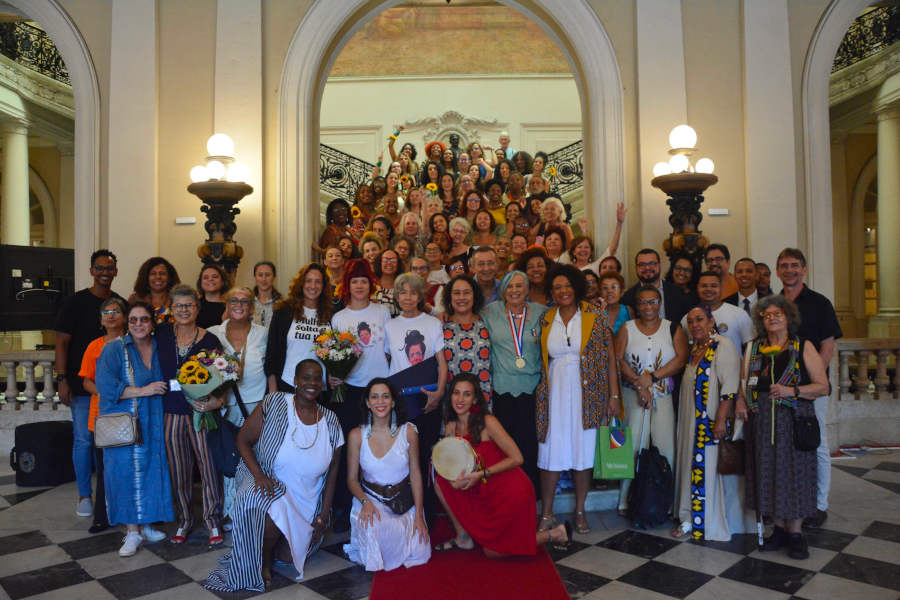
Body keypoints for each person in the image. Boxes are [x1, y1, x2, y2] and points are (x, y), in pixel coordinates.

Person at [206, 360, 343, 591]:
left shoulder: (331, 420)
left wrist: (325, 511)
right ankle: (264, 557)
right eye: (306, 377)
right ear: (296, 381)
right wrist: (258, 475)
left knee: (289, 558)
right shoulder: (275, 403)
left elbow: (333, 472)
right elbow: (243, 440)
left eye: (317, 378)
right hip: (271, 481)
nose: (312, 383)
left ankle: (273, 545)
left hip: (307, 497)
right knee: (264, 503)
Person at [736, 295, 829, 559]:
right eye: (766, 315)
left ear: (788, 317)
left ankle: (796, 533)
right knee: (768, 472)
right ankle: (777, 529)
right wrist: (741, 402)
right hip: (762, 421)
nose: (772, 318)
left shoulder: (802, 347)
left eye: (777, 314)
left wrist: (793, 390)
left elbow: (823, 386)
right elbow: (746, 382)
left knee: (794, 473)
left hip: (794, 420)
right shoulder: (754, 348)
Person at [433, 374, 569, 555]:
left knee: (493, 552)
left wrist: (481, 474)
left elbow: (517, 458)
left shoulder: (488, 422)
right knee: (441, 483)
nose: (460, 399)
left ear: (474, 398)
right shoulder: (451, 426)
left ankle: (554, 534)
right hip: (480, 487)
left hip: (508, 489)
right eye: (456, 393)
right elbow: (453, 465)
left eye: (466, 394)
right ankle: (463, 537)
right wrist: (454, 480)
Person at [535, 265, 621, 534]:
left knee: (583, 451)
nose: (563, 291)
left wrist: (614, 394)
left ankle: (580, 511)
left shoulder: (594, 314)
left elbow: (609, 357)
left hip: (589, 393)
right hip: (554, 393)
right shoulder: (547, 318)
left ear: (577, 287)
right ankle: (547, 514)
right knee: (549, 452)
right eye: (557, 287)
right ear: (551, 291)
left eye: (568, 286)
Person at [96, 302, 173, 556]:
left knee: (153, 468)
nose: (138, 324)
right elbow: (107, 387)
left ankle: (147, 523)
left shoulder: (161, 348)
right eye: (133, 320)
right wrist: (142, 391)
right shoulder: (114, 349)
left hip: (154, 420)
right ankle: (131, 532)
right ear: (127, 323)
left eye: (144, 320)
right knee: (125, 473)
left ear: (153, 323)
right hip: (125, 423)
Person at [776, 248, 842, 529]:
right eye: (784, 265)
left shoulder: (819, 303)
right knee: (785, 446)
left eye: (794, 265)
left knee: (816, 444)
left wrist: (812, 376)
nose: (789, 270)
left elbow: (828, 346)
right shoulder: (773, 302)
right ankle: (790, 501)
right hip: (780, 389)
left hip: (811, 388)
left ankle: (818, 505)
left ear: (804, 269)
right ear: (778, 270)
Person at [54, 249, 123, 518]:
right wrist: (61, 379)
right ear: (92, 271)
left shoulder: (118, 303)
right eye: (100, 268)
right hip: (81, 386)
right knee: (84, 440)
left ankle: (108, 496)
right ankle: (85, 495)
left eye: (110, 268)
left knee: (110, 442)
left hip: (114, 389)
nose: (105, 273)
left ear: (115, 271)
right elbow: (61, 342)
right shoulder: (75, 302)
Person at [155, 284, 225, 544]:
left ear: (197, 308)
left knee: (208, 468)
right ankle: (184, 520)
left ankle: (212, 521)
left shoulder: (209, 340)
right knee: (179, 469)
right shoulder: (161, 334)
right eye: (179, 306)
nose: (184, 310)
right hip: (171, 413)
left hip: (200, 414)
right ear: (171, 310)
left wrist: (215, 402)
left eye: (189, 305)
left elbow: (223, 377)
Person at [330, 259, 393, 528]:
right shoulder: (340, 317)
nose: (359, 286)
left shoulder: (383, 312)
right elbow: (332, 354)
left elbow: (390, 350)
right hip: (351, 388)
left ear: (371, 285)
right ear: (347, 285)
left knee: (379, 446)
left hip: (380, 388)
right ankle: (346, 506)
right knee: (349, 448)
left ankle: (382, 500)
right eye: (354, 281)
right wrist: (333, 374)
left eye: (363, 281)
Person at [343, 379, 431, 571]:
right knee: (378, 532)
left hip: (404, 501)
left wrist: (419, 515)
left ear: (393, 402)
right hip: (371, 501)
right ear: (367, 402)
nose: (380, 402)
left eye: (385, 396)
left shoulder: (408, 431)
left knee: (421, 552)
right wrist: (365, 502)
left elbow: (416, 475)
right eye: (374, 397)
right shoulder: (357, 435)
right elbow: (351, 480)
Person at [672, 306, 743, 540]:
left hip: (710, 420)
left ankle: (704, 519)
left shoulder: (722, 346)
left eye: (700, 320)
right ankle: (688, 516)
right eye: (690, 322)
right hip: (690, 421)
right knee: (691, 467)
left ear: (712, 321)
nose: (695, 325)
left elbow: (729, 388)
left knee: (707, 469)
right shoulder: (694, 349)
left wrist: (720, 420)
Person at [616, 285, 689, 512]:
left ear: (659, 303)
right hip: (632, 395)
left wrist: (652, 378)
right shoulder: (627, 328)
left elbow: (680, 358)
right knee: (632, 446)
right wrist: (640, 384)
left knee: (665, 445)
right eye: (643, 302)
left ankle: (665, 501)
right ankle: (627, 500)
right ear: (637, 306)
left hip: (663, 396)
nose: (648, 307)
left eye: (653, 301)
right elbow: (618, 359)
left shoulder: (672, 328)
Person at [385, 273, 449, 521]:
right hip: (401, 400)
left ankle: (427, 515)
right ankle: (403, 514)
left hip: (428, 397)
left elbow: (441, 363)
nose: (408, 297)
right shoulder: (390, 326)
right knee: (402, 457)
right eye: (403, 292)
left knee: (424, 457)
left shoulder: (432, 324)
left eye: (413, 292)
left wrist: (439, 392)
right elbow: (389, 361)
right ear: (397, 296)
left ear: (421, 296)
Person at [208, 287, 269, 524]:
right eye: (233, 300)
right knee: (230, 457)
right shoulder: (214, 333)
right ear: (226, 303)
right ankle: (232, 512)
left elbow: (270, 366)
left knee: (256, 457)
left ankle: (255, 507)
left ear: (252, 307)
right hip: (225, 406)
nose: (239, 304)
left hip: (256, 404)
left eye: (244, 301)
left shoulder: (263, 333)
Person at [481, 270, 544, 488]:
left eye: (519, 286)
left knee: (530, 444)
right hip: (502, 389)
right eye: (510, 286)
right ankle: (507, 491)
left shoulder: (541, 313)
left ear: (527, 289)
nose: (514, 290)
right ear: (503, 290)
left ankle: (530, 494)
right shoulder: (489, 312)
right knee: (505, 447)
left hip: (533, 389)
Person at [77, 296, 128, 534]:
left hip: (131, 411)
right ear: (101, 319)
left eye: (116, 311)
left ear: (125, 317)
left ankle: (138, 514)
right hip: (102, 414)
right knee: (105, 467)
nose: (111, 316)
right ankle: (102, 516)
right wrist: (108, 394)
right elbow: (87, 381)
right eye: (106, 313)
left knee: (132, 464)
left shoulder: (133, 342)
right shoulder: (94, 346)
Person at [265, 263, 332, 393]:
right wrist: (273, 392)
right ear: (301, 284)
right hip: (288, 384)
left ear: (323, 286)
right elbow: (272, 355)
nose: (313, 286)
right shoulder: (284, 311)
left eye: (318, 282)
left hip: (320, 389)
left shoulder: (330, 314)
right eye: (308, 281)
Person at [441, 276, 492, 402]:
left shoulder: (486, 321)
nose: (461, 297)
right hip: (452, 395)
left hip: (482, 392)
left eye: (467, 293)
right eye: (456, 293)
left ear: (474, 296)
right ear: (450, 297)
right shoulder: (440, 324)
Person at [682, 271, 754, 356]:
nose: (708, 289)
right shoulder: (688, 319)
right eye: (704, 286)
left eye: (714, 286)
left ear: (721, 288)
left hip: (732, 368)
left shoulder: (739, 314)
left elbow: (750, 348)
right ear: (697, 288)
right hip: (699, 368)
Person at [621, 248, 693, 325]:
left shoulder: (678, 293)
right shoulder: (627, 298)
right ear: (636, 268)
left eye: (652, 263)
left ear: (659, 265)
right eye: (642, 264)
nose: (647, 268)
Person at [196, 264, 230, 328]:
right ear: (200, 283)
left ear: (223, 282)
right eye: (206, 277)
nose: (210, 279)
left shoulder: (230, 305)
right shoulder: (194, 305)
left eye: (215, 277)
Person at [252, 261, 282, 329]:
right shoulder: (248, 302)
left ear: (274, 277)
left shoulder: (281, 304)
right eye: (260, 275)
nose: (264, 279)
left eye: (268, 275)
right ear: (255, 277)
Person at [373, 249, 402, 317]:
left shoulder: (403, 286)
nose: (389, 263)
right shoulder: (371, 285)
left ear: (398, 264)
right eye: (385, 260)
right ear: (380, 263)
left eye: (393, 260)